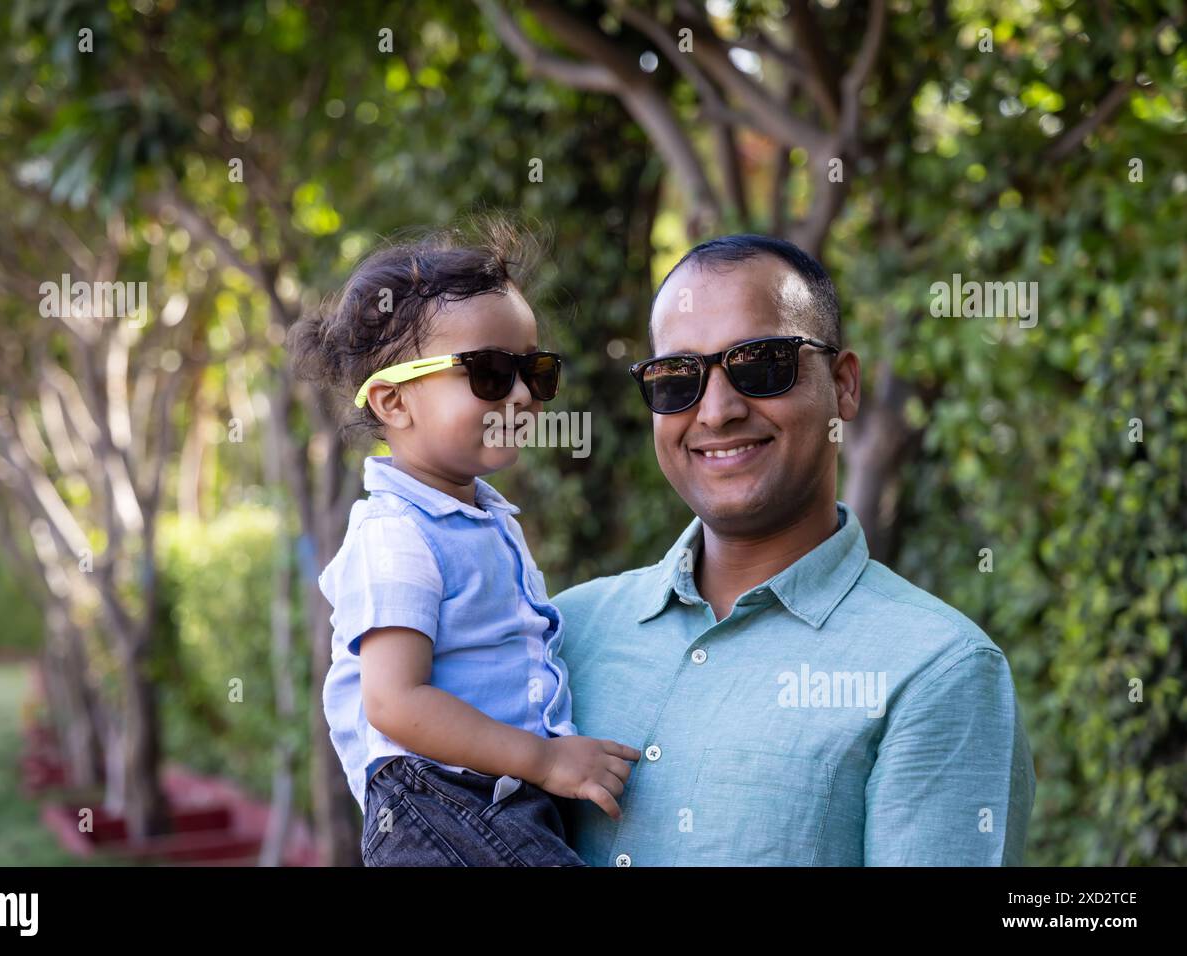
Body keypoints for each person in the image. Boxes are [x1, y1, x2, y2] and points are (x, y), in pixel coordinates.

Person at [553, 234, 1037, 866]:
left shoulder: (938, 673)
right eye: (678, 377)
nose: (717, 411)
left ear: (843, 385)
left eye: (761, 364)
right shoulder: (561, 631)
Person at [290, 220, 639, 866]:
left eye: (535, 370)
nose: (522, 395)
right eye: (488, 374)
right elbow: (396, 702)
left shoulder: (477, 515)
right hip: (435, 800)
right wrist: (545, 758)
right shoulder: (396, 535)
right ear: (394, 402)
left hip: (490, 798)